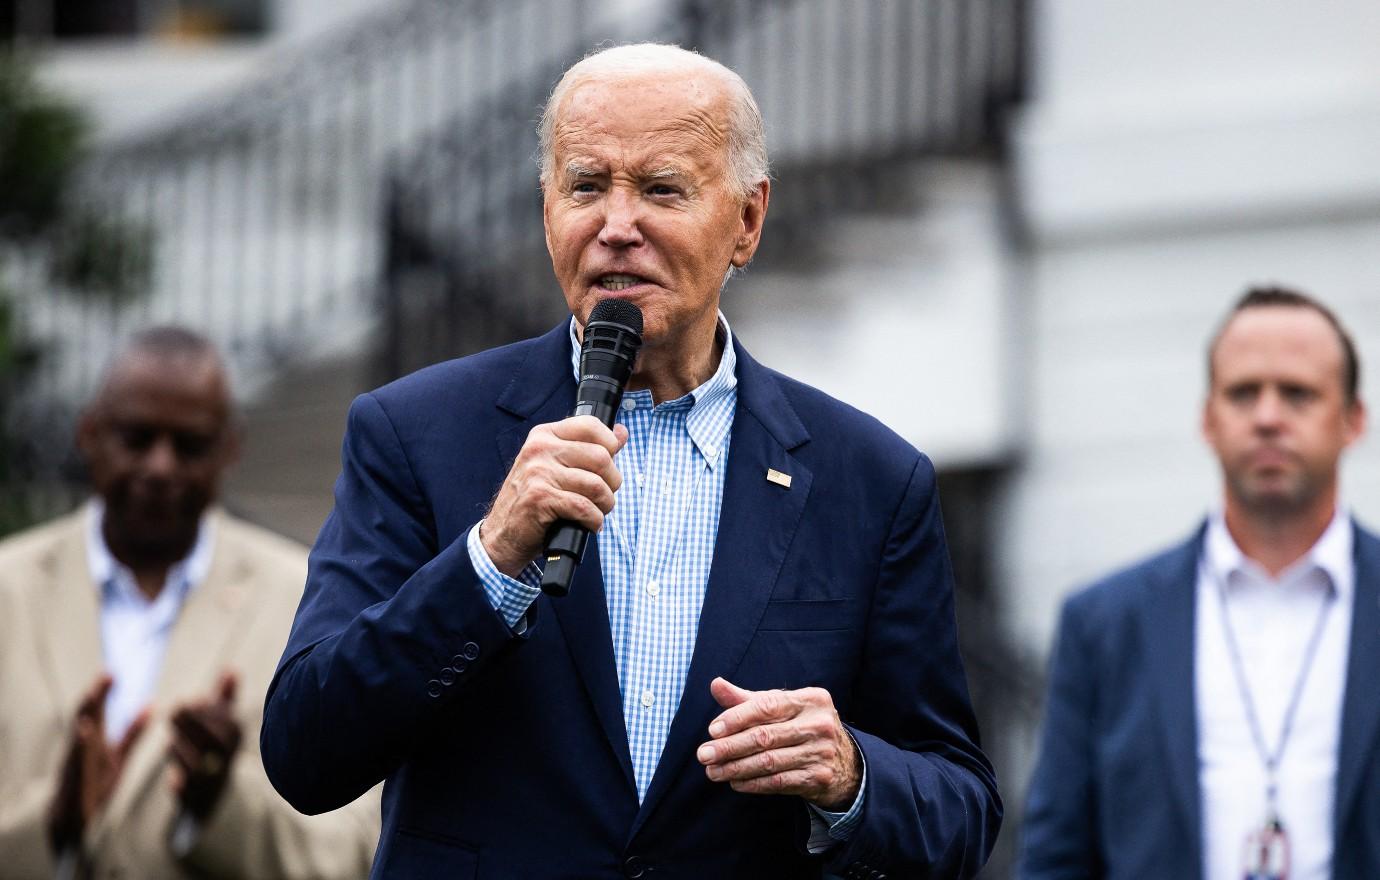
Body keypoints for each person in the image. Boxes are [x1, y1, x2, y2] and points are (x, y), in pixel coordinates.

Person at [262, 43, 1000, 878]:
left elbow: (960, 812)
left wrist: (849, 775)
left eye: (661, 188)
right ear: (548, 213)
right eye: (585, 186)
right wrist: (489, 562)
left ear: (748, 222)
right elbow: (305, 752)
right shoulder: (413, 433)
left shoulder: (869, 477)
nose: (617, 226)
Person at [1020, 287, 1380, 879]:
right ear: (1208, 419)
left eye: (1298, 393)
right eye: (1243, 393)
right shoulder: (1105, 623)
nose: (1268, 416)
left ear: (1353, 420)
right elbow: (1056, 857)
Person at [0, 326, 379, 879]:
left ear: (230, 448)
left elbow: (355, 848)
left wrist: (220, 802)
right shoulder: (8, 588)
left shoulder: (308, 598)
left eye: (189, 444)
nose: (160, 466)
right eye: (137, 438)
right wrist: (51, 826)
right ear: (88, 434)